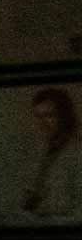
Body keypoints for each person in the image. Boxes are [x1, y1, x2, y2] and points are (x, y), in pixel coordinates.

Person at [20, 86, 82, 219]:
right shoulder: (38, 154)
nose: (42, 123)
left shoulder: (78, 154)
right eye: (38, 116)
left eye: (49, 115)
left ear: (64, 117)